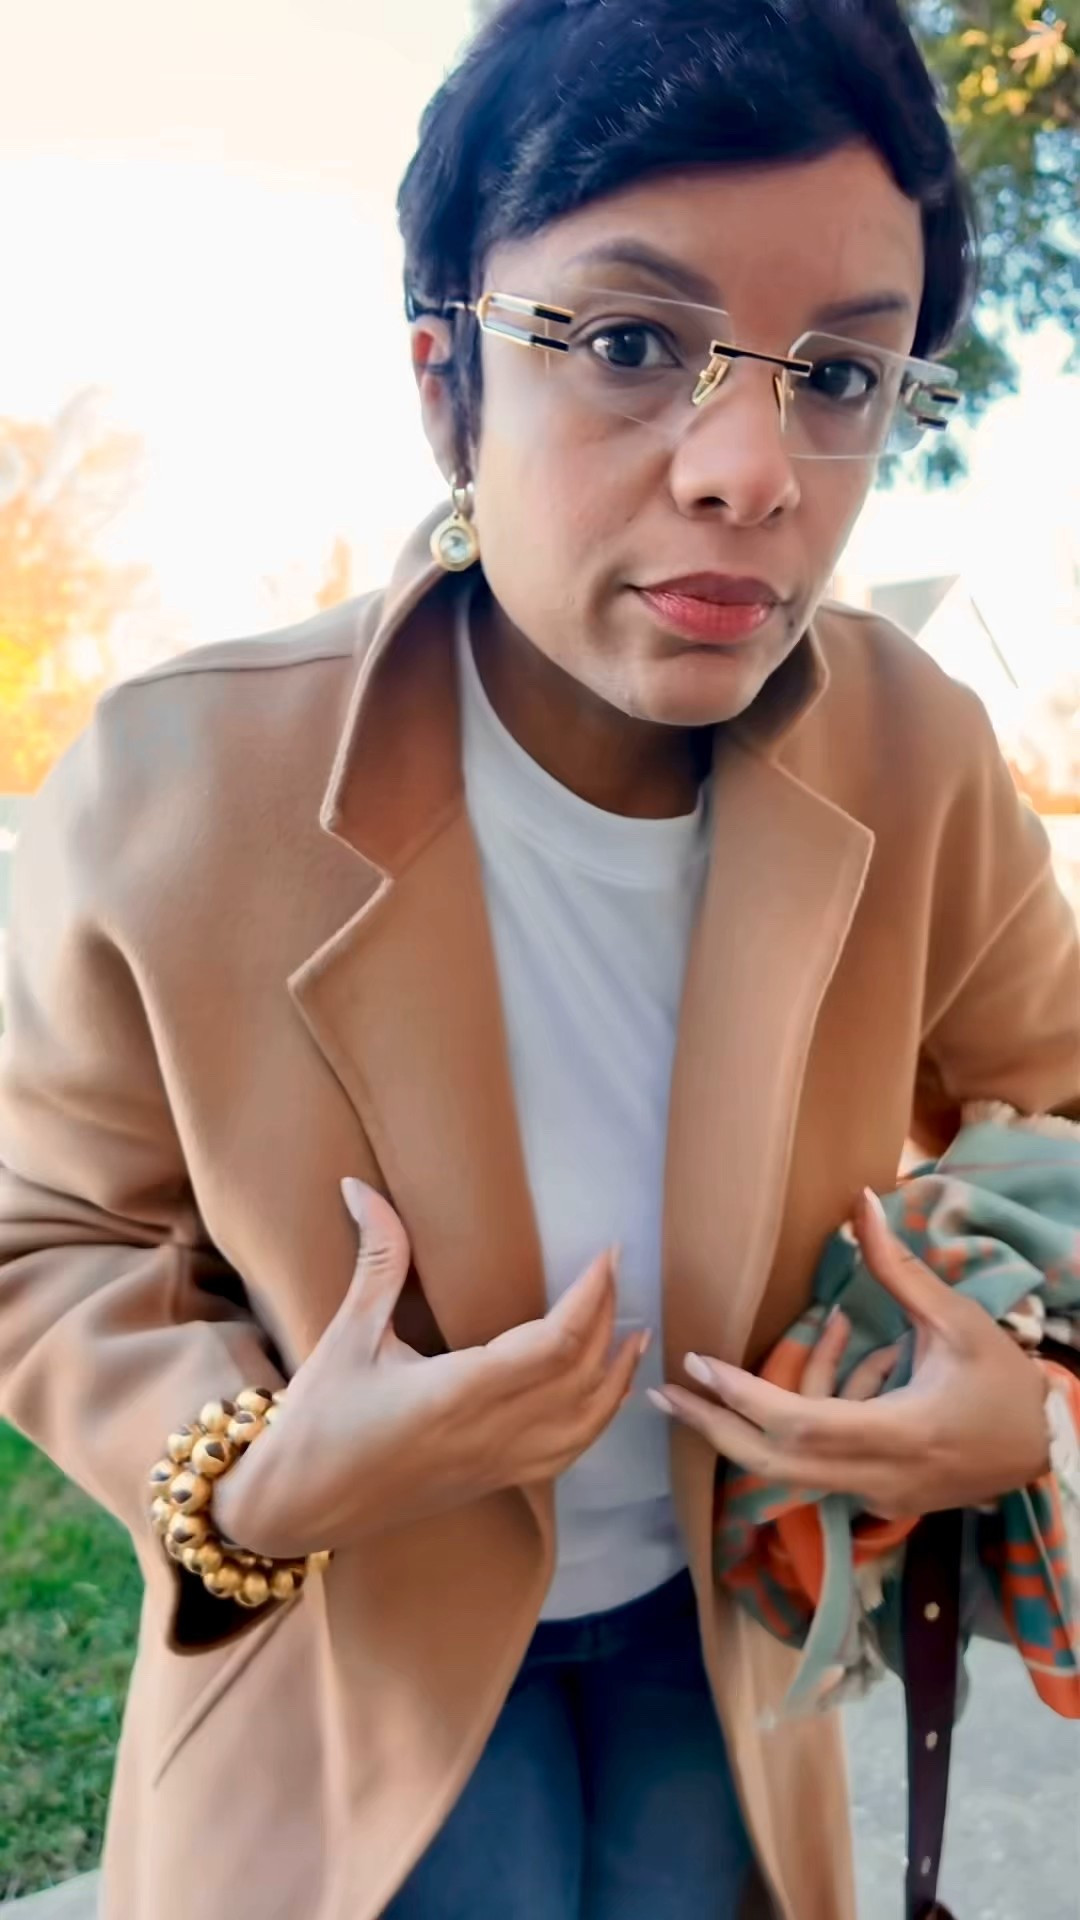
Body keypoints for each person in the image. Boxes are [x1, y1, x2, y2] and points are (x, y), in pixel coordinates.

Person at [1, 1, 1077, 1916]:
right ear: (449, 380)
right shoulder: (179, 783)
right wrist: (255, 1476)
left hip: (726, 1645)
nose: (749, 468)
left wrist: (1034, 1396)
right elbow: (46, 1235)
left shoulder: (916, 755)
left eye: (842, 374)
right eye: (632, 344)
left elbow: (1061, 1091)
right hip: (342, 1661)